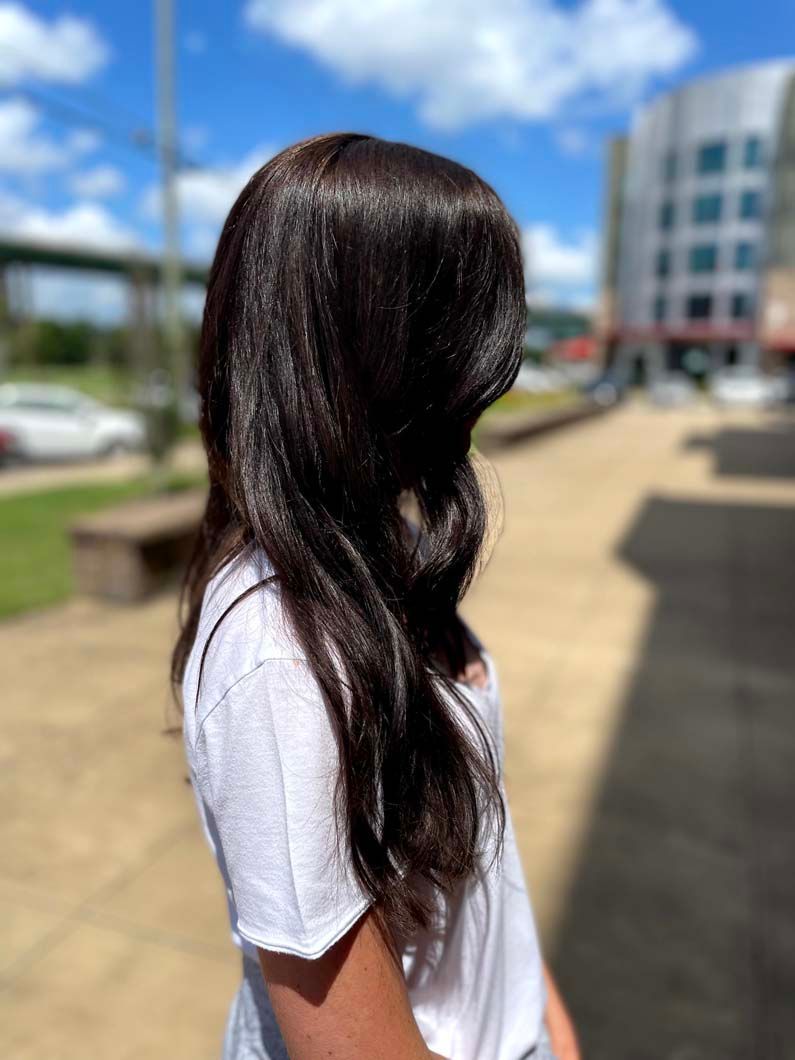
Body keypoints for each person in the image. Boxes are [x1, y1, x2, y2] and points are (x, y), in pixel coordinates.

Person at [172, 132, 580, 1060]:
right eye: (474, 320)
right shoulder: (281, 651)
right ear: (392, 350)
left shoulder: (376, 553)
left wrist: (550, 1026)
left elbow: (483, 863)